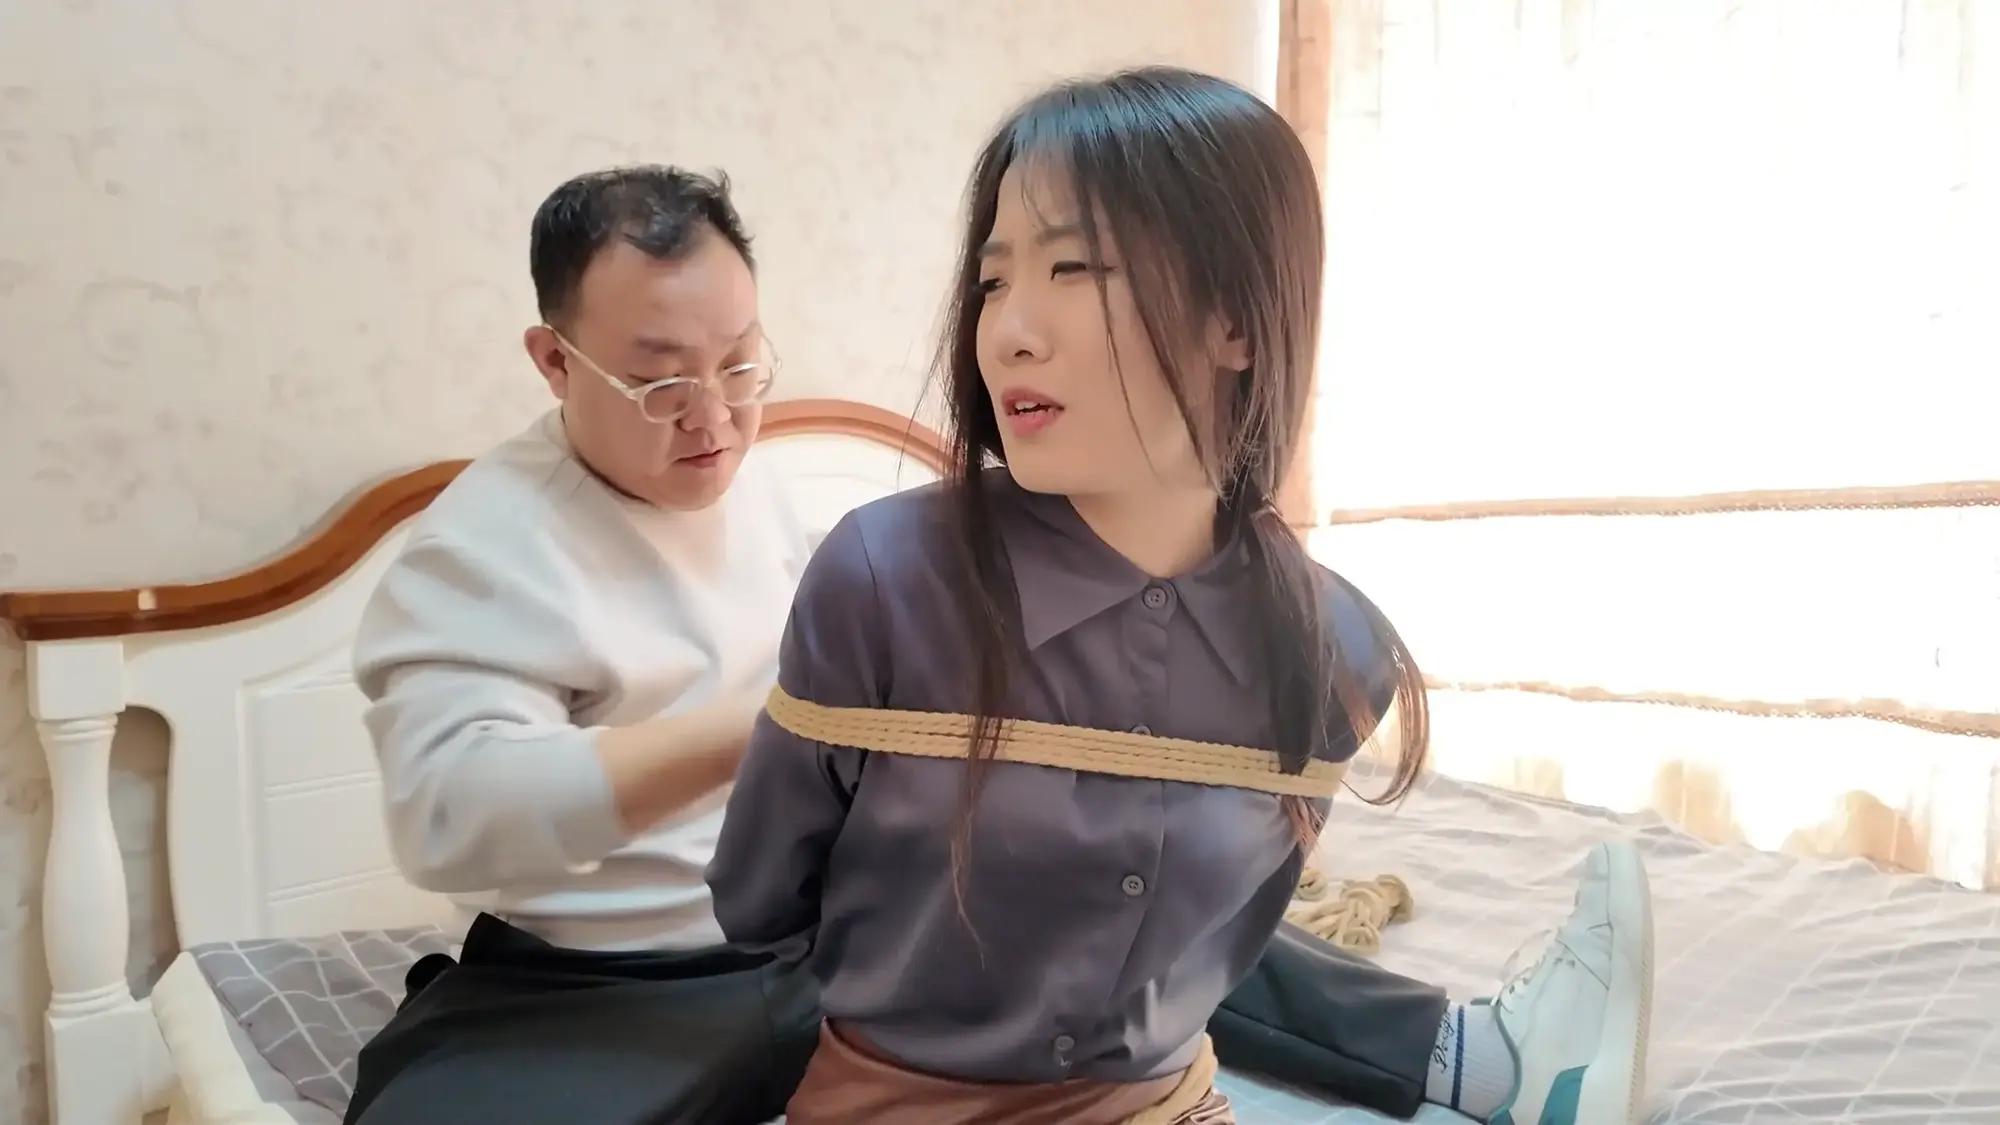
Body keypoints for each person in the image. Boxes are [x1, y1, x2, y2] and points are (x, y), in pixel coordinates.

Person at [345, 153, 1648, 1125]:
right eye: (658, 377)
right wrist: (782, 726)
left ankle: (1478, 1059)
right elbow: (456, 816)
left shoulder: (779, 493)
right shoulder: (483, 550)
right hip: (605, 979)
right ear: (553, 360)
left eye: (740, 363)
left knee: (1100, 860)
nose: (715, 417)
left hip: (843, 932)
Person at [704, 67, 1652, 1125]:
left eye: (1073, 267)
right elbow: (757, 903)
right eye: (993, 280)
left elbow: (1226, 947)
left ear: (1234, 321)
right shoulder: (881, 579)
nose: (1009, 329)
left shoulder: (1338, 646)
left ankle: (1484, 1061)